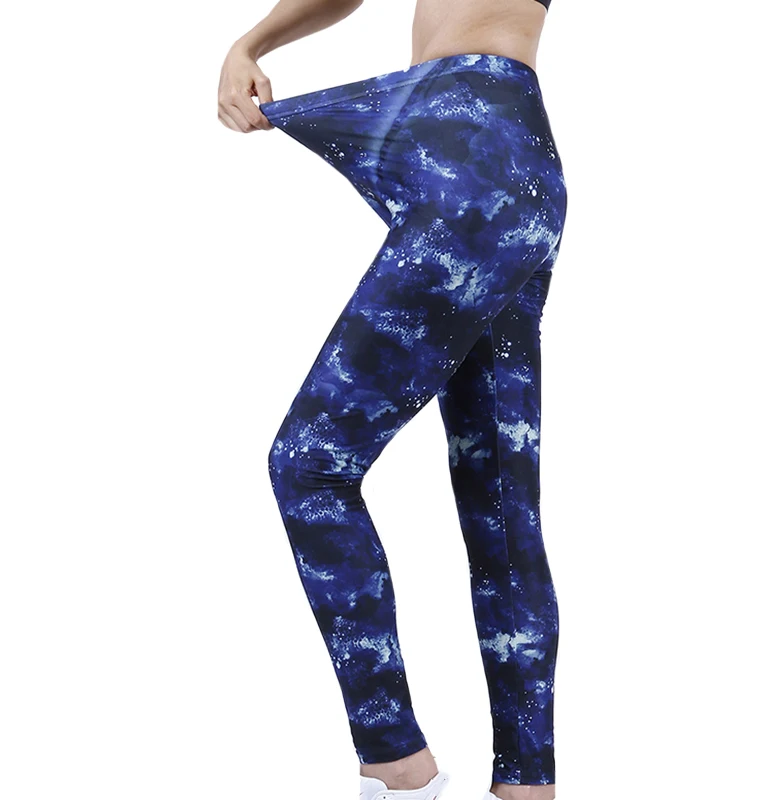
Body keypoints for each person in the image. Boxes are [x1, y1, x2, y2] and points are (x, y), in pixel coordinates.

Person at [217, 1, 566, 798]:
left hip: (468, 153)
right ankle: (527, 787)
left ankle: (397, 770)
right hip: (517, 168)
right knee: (502, 509)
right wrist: (253, 42)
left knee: (309, 467)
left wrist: (249, 42)